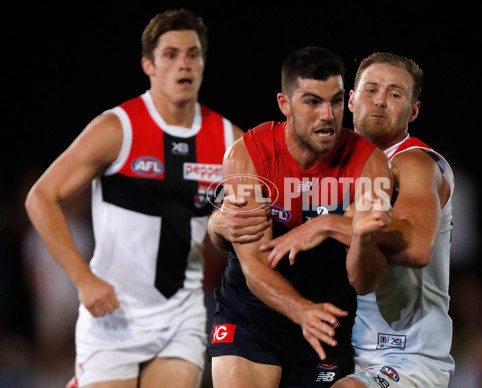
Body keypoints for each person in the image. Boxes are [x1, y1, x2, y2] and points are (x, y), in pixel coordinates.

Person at [24, 8, 243, 388]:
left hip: (181, 313)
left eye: (193, 54)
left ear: (204, 62)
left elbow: (252, 224)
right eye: (171, 55)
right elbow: (40, 198)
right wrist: (83, 279)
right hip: (113, 315)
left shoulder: (229, 140)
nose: (183, 64)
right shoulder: (117, 128)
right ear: (149, 65)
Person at [212, 52, 455, 387]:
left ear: (413, 110)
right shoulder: (327, 156)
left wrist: (327, 226)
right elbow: (254, 242)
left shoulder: (414, 163)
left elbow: (416, 250)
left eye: (395, 94)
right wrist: (217, 225)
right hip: (349, 338)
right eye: (371, 90)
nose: (380, 102)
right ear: (352, 101)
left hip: (404, 351)